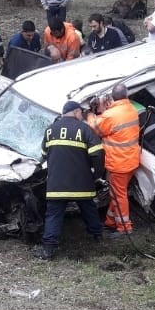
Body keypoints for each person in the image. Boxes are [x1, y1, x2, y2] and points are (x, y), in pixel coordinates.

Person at [35, 100, 105, 260]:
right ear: (76, 112)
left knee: (53, 214)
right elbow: (97, 154)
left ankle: (48, 249)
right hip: (82, 183)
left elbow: (44, 155)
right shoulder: (85, 129)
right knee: (89, 208)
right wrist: (97, 174)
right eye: (81, 112)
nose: (82, 115)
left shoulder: (50, 130)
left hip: (57, 184)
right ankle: (97, 236)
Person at [87, 82, 140, 238]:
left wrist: (89, 114)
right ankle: (111, 221)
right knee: (116, 193)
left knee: (119, 195)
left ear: (111, 97)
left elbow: (94, 127)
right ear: (126, 95)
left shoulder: (111, 115)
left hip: (119, 163)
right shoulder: (131, 109)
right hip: (131, 160)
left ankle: (124, 228)